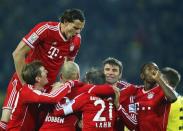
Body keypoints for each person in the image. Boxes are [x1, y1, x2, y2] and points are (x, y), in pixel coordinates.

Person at [0, 8, 85, 129]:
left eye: (81, 29)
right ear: (65, 21)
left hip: (46, 88)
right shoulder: (45, 29)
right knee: (6, 120)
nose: (78, 32)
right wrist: (25, 84)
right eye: (76, 28)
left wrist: (62, 84)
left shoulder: (76, 40)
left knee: (36, 124)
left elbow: (68, 66)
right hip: (25, 82)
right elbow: (18, 53)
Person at [6, 61, 76, 131]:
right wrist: (68, 84)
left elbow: (46, 105)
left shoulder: (38, 92)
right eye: (43, 70)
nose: (47, 72)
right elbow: (53, 98)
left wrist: (53, 92)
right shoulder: (27, 91)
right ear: (38, 79)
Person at [114, 62, 178, 131]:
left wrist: (159, 79)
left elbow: (173, 98)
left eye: (156, 69)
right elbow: (132, 123)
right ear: (142, 76)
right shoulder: (135, 92)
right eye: (149, 69)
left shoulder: (162, 90)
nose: (153, 71)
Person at [51, 68, 117, 131]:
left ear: (89, 82)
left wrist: (56, 93)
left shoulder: (85, 97)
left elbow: (58, 111)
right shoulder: (113, 98)